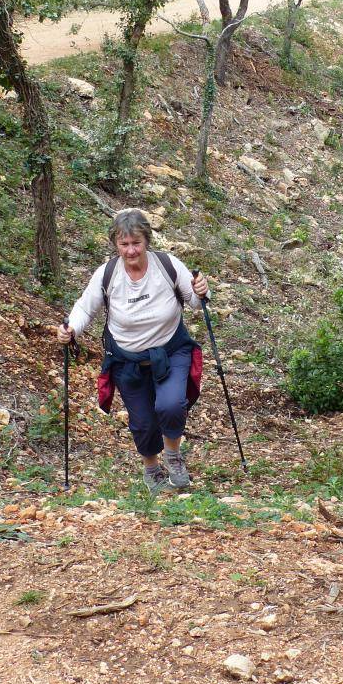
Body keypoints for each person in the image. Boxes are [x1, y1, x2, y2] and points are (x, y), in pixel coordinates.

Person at [56, 209, 209, 495]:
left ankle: (173, 457)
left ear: (146, 241)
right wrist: (70, 329)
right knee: (142, 422)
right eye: (124, 244)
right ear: (116, 244)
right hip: (127, 361)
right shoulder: (108, 274)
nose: (131, 250)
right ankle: (152, 469)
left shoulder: (167, 265)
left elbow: (196, 301)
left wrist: (201, 290)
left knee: (171, 405)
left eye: (136, 243)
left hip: (171, 351)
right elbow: (85, 307)